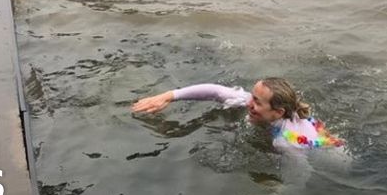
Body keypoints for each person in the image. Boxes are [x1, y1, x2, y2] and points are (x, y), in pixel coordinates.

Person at [132, 77, 344, 151]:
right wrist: (168, 96)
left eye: (257, 102)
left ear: (278, 112)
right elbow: (215, 91)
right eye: (252, 96)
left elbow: (301, 175)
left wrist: (274, 191)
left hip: (325, 152)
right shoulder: (279, 111)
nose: (248, 103)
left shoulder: (287, 142)